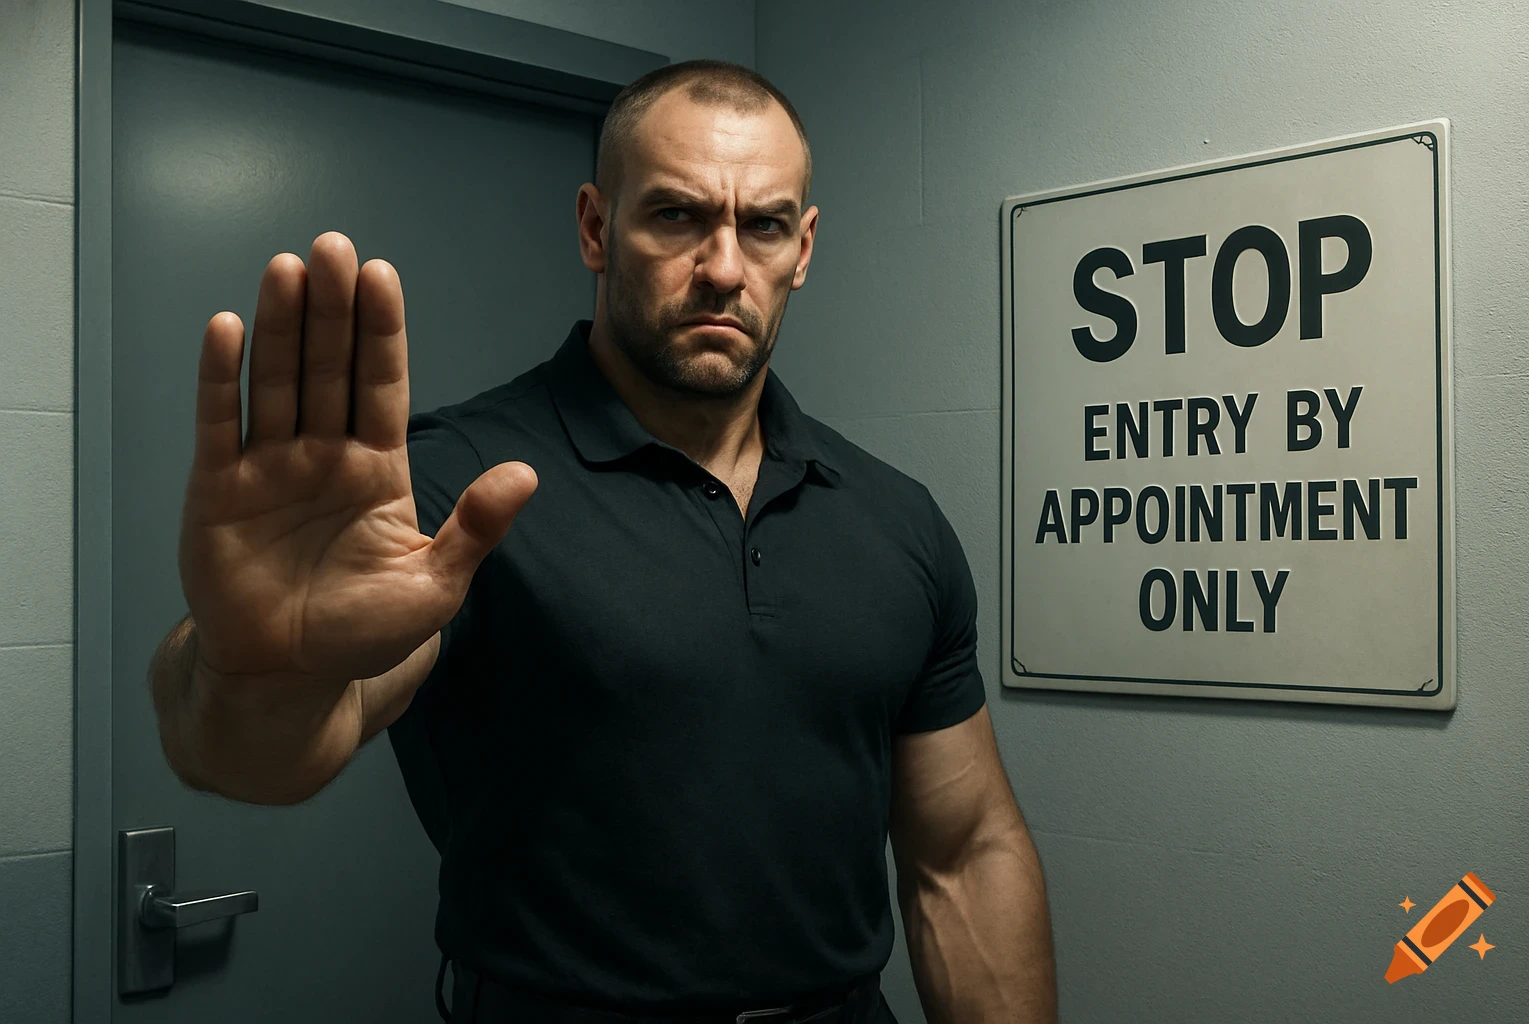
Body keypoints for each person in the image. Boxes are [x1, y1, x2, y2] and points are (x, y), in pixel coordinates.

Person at [148, 59, 1057, 1023]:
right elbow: (243, 753)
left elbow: (964, 856)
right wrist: (257, 669)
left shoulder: (895, 519)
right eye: (676, 215)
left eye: (763, 225)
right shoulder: (464, 487)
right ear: (595, 227)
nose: (723, 267)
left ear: (803, 247)